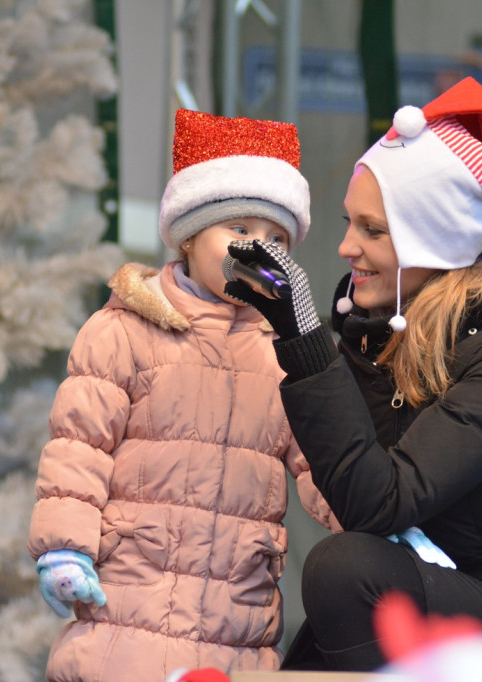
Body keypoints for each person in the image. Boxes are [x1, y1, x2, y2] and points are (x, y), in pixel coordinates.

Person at [223, 77, 482, 671]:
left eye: (373, 230)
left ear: (436, 235)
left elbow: (380, 502)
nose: (346, 247)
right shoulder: (381, 331)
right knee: (326, 619)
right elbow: (354, 490)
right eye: (350, 223)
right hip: (440, 596)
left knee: (345, 570)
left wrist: (307, 343)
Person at [27, 108, 337, 682]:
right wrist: (65, 547)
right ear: (191, 236)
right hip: (128, 601)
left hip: (236, 614)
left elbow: (323, 460)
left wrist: (382, 521)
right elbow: (79, 445)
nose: (259, 251)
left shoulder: (283, 352)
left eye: (275, 239)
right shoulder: (125, 329)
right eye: (239, 232)